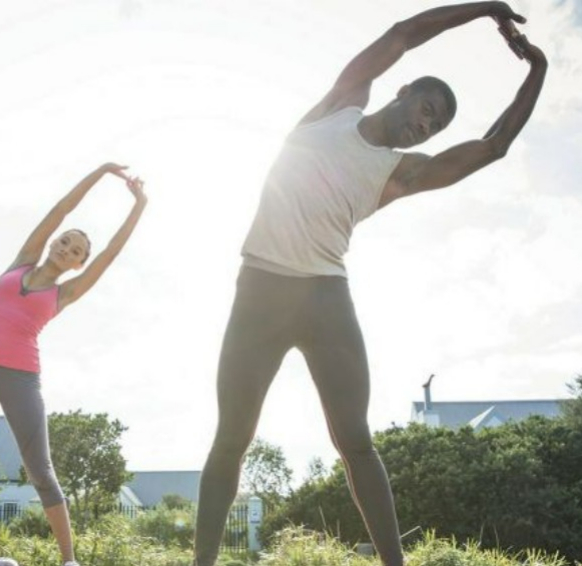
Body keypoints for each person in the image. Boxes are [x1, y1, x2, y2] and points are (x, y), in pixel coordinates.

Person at [193, 3, 547, 566]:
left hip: (325, 301)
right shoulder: (338, 105)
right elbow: (402, 34)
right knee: (231, 438)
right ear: (402, 91)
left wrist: (538, 69)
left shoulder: (401, 172)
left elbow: (493, 146)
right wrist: (484, 9)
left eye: (433, 127)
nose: (423, 126)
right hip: (259, 290)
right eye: (425, 110)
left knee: (356, 442)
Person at [0, 162, 147, 566]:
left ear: (77, 264)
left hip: (22, 379)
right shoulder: (22, 261)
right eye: (64, 242)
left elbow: (111, 252)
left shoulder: (67, 292)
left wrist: (139, 205)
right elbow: (61, 208)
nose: (66, 249)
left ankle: (69, 561)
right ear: (53, 242)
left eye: (75, 251)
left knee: (40, 470)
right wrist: (102, 172)